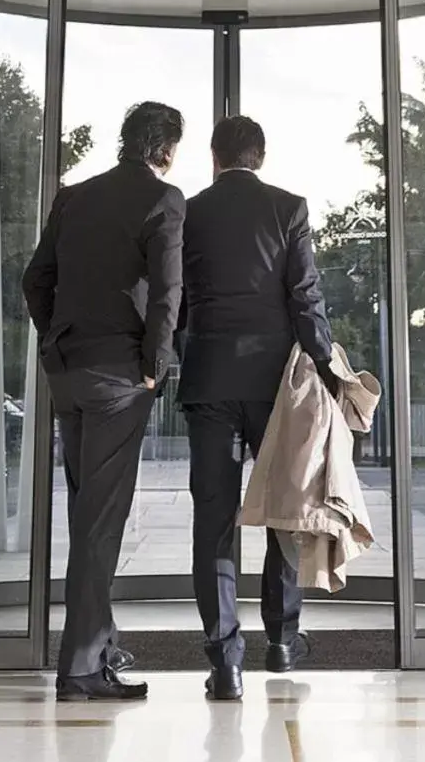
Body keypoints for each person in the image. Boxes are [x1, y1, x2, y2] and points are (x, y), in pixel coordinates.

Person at [22, 101, 186, 702]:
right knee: (101, 522)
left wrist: (55, 339)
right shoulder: (164, 201)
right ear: (165, 149)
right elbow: (167, 293)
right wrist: (154, 366)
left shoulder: (74, 197)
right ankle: (82, 668)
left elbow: (34, 280)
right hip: (120, 377)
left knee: (89, 516)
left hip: (68, 372)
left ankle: (100, 645)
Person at [177, 114, 339, 701]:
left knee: (213, 524)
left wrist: (181, 350)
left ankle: (226, 663)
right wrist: (324, 363)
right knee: (283, 513)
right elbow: (305, 293)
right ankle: (282, 641)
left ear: (214, 157)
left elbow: (175, 298)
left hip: (209, 383)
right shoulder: (288, 208)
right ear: (260, 158)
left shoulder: (189, 211)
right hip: (276, 385)